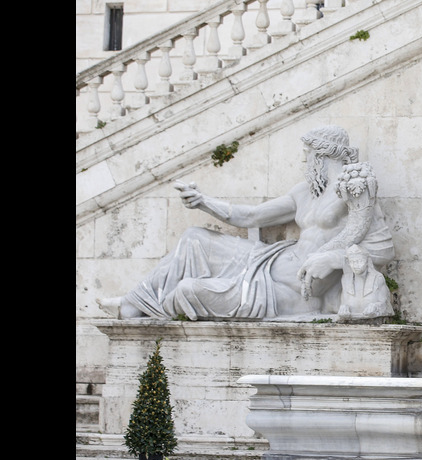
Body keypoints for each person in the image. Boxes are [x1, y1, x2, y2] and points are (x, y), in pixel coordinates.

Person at [98, 125, 394, 321]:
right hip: (269, 260)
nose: (303, 163)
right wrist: (204, 202)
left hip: (291, 292)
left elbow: (383, 250)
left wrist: (332, 258)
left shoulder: (356, 191)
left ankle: (150, 309)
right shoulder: (305, 192)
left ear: (320, 155)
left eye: (306, 156)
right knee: (193, 238)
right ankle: (134, 303)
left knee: (190, 289)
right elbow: (251, 216)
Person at [337, 244, 394, 320]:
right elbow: (344, 302)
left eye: (360, 261)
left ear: (367, 261)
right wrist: (343, 308)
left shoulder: (377, 278)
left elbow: (385, 304)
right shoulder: (346, 279)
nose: (355, 265)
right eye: (352, 262)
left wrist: (376, 307)